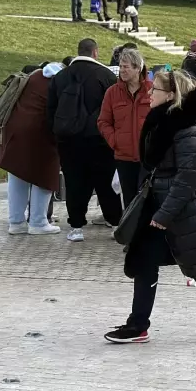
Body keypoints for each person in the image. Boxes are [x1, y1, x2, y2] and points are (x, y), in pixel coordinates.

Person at [104, 70, 196, 346]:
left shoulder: (189, 128)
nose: (149, 94)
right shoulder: (160, 122)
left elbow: (186, 179)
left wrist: (165, 214)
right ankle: (138, 324)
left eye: (155, 90)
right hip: (158, 201)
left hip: (188, 206)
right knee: (143, 260)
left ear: (170, 94)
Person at [49, 39, 118, 242]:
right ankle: (115, 223)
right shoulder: (106, 76)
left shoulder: (60, 77)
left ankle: (76, 226)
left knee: (75, 183)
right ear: (95, 52)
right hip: (100, 141)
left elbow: (50, 111)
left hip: (69, 141)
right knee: (106, 184)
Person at [0, 63, 62, 237]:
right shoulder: (60, 82)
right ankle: (38, 222)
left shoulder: (35, 76)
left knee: (18, 176)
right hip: (40, 135)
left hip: (14, 131)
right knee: (45, 175)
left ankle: (16, 222)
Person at [97, 47, 152, 207]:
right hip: (124, 158)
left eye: (126, 67)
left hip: (148, 158)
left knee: (149, 201)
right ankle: (131, 232)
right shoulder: (112, 92)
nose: (122, 70)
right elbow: (103, 121)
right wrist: (115, 141)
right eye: (120, 66)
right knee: (129, 202)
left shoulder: (153, 90)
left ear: (137, 68)